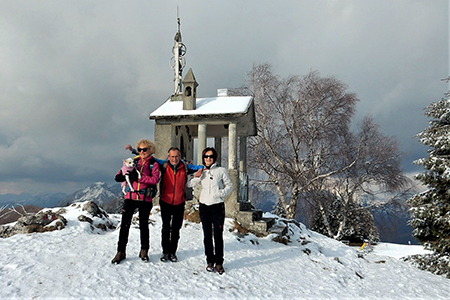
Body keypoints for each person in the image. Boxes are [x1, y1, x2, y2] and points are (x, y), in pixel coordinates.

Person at [125, 145, 202, 263]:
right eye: (172, 156)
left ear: (180, 157)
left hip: (179, 202)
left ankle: (173, 252)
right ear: (168, 157)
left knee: (176, 229)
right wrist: (134, 151)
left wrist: (200, 170)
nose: (174, 159)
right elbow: (150, 157)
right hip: (165, 201)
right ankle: (165, 252)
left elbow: (201, 167)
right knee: (166, 228)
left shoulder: (185, 167)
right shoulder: (164, 164)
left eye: (176, 156)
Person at [111, 139, 160, 264]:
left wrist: (138, 178)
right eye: (140, 149)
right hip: (130, 197)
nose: (142, 152)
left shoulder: (153, 164)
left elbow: (154, 180)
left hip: (145, 199)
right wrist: (122, 176)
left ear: (150, 150)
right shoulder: (134, 161)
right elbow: (121, 173)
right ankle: (120, 251)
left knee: (144, 225)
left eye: (145, 149)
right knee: (124, 225)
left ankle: (144, 250)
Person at [188, 147, 232, 274]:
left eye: (211, 156)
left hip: (217, 206)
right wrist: (196, 176)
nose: (208, 159)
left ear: (215, 158)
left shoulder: (221, 170)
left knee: (218, 235)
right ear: (203, 158)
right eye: (206, 156)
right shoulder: (202, 171)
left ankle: (219, 262)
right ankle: (210, 261)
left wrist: (220, 194)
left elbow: (230, 185)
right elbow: (190, 184)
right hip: (204, 206)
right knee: (207, 236)